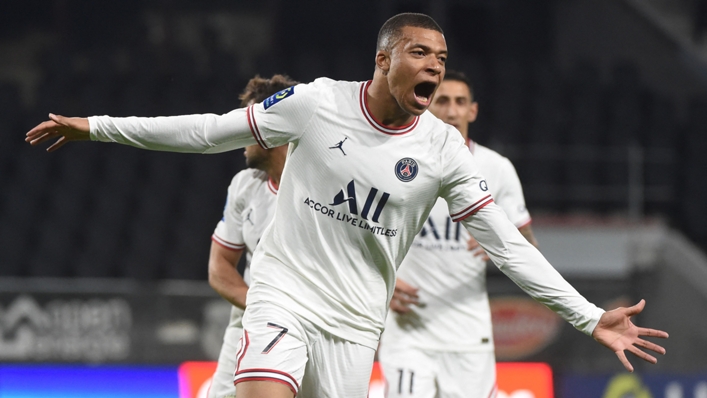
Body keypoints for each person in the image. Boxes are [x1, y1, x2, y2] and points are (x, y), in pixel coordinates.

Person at [26, 13, 667, 398]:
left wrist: (589, 317)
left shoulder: (445, 150)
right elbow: (208, 131)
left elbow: (508, 246)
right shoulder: (315, 103)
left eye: (442, 61)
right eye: (421, 54)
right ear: (384, 59)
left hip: (358, 328)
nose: (435, 69)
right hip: (284, 297)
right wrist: (97, 125)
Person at [378, 70, 536, 398]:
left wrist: (501, 239)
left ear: (472, 111)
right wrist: (383, 287)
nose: (451, 111)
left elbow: (528, 248)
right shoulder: (394, 163)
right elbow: (358, 235)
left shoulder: (496, 168)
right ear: (426, 105)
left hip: (468, 336)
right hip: (409, 333)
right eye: (443, 101)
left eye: (460, 102)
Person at [207, 74, 296, 398]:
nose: (241, 135)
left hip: (312, 327)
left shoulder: (326, 188)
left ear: (273, 129)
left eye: (249, 126)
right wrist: (261, 306)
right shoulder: (245, 185)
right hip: (249, 325)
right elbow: (220, 267)